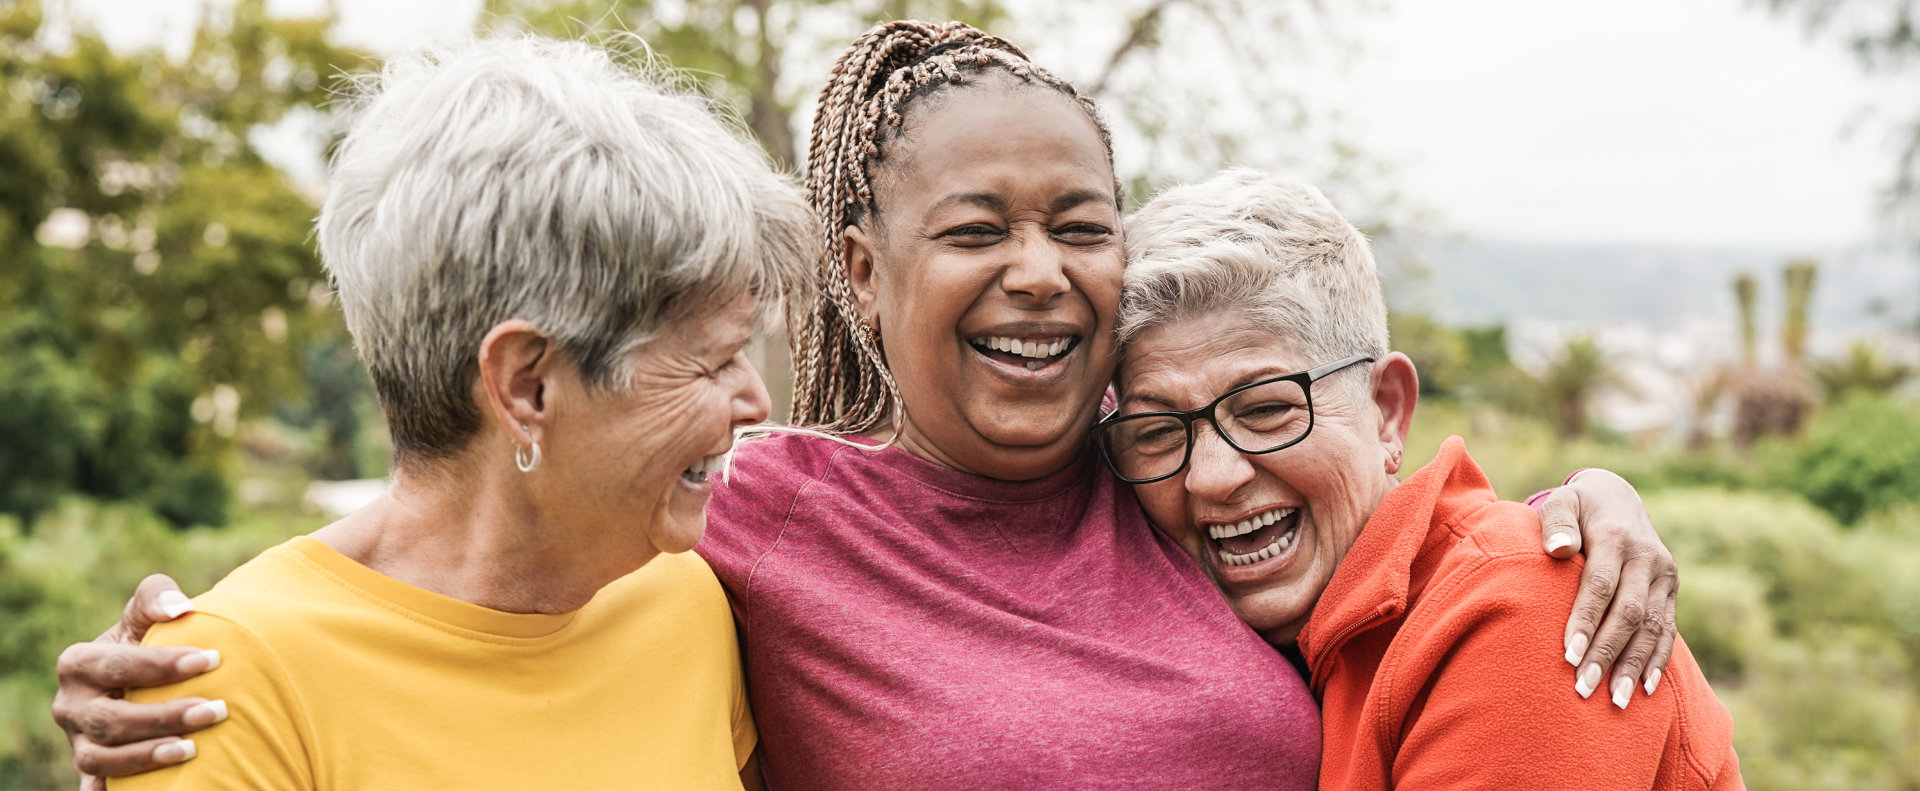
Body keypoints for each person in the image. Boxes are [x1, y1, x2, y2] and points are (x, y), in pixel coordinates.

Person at [55, 22, 1681, 790]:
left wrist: (1584, 506)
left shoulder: (1173, 479)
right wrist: (210, 637)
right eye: (976, 231)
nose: (1040, 273)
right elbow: (489, 523)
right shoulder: (750, 517)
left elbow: (1366, 514)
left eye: (1081, 227)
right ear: (859, 266)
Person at [78, 36, 814, 790]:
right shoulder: (228, 683)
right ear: (526, 387)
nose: (754, 401)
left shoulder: (683, 596)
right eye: (714, 359)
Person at [1098, 168, 1741, 789]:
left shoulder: (1516, 613)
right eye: (1158, 432)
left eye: (1267, 409)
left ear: (1387, 411)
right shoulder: (1299, 627)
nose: (1210, 477)